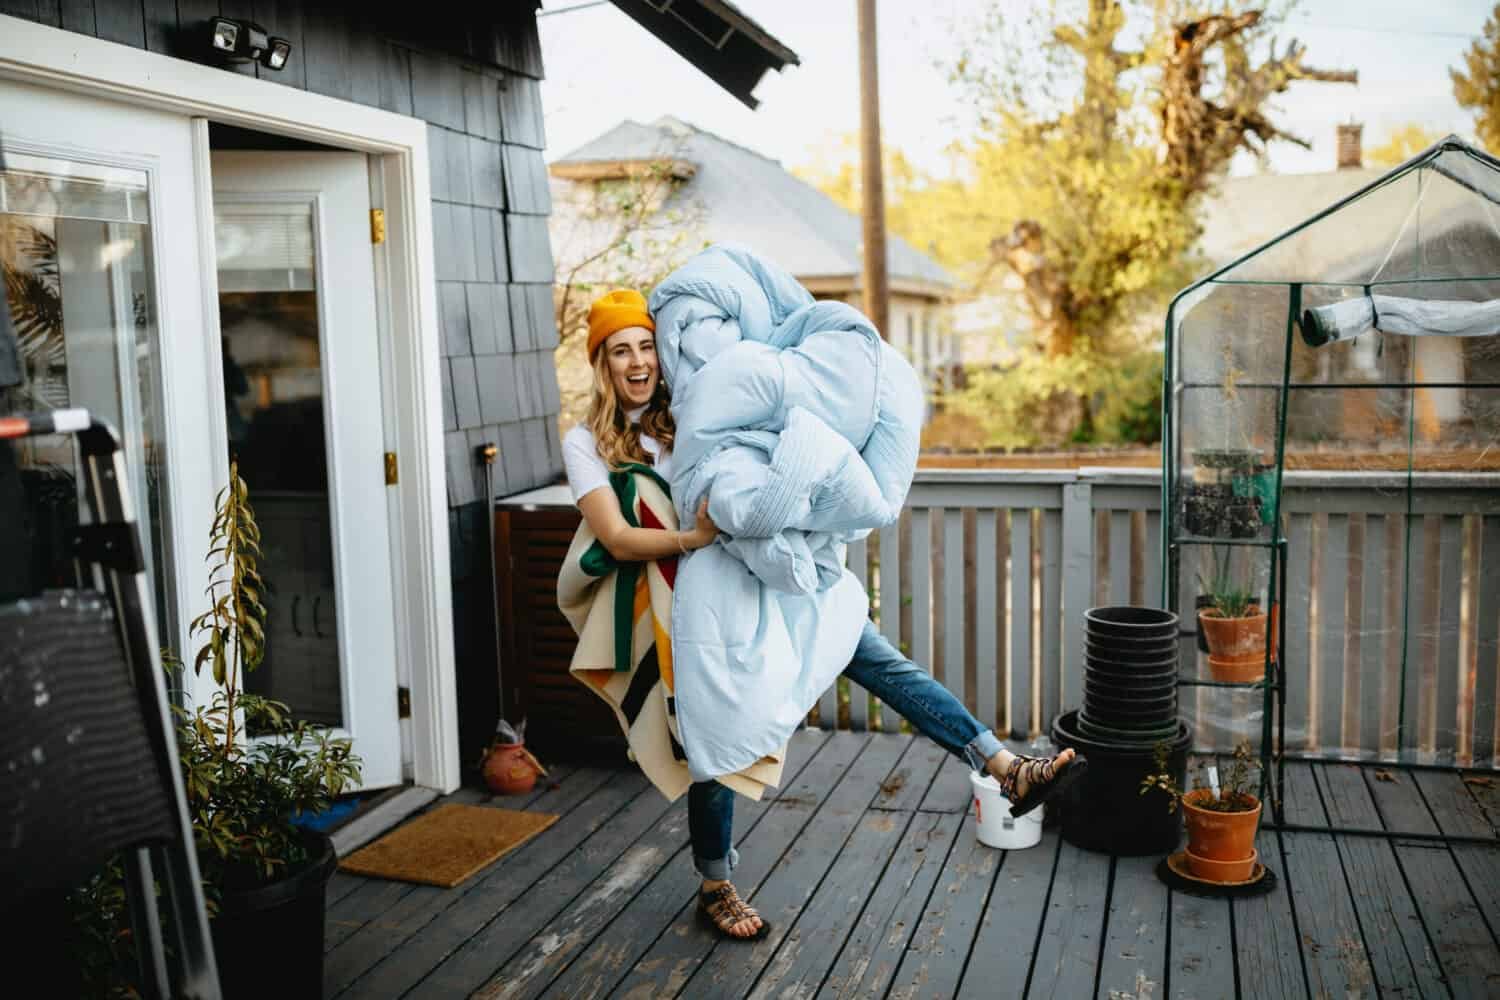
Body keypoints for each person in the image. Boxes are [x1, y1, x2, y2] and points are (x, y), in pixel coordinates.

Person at [562, 289, 1084, 944]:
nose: (637, 362)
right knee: (715, 734)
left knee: (868, 652)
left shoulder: (699, 403)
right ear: (601, 364)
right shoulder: (588, 444)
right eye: (619, 351)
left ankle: (1006, 768)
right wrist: (695, 539)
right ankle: (715, 882)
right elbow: (614, 537)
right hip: (689, 594)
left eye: (644, 346)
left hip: (767, 566)